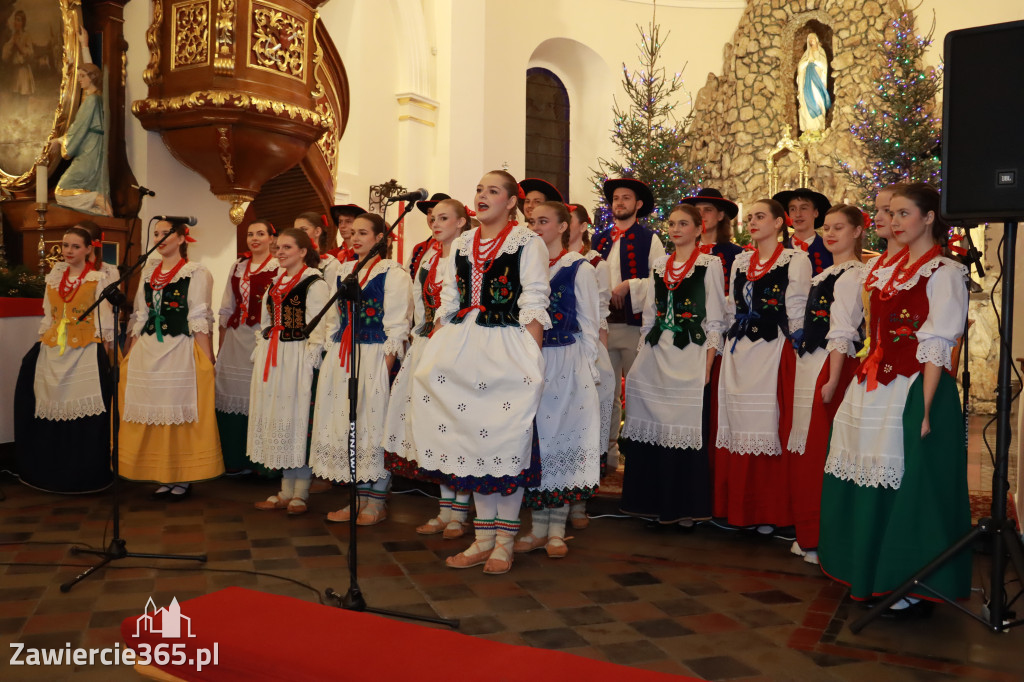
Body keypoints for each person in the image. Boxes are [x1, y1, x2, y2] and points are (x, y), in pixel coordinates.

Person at [819, 184, 971, 619]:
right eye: (892, 213)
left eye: (905, 213)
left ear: (928, 218)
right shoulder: (882, 270)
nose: (897, 221)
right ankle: (866, 570)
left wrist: (923, 410)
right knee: (864, 475)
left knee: (911, 485)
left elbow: (938, 344)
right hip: (872, 386)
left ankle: (904, 577)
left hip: (913, 389)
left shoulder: (945, 272)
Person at [410, 170, 550, 575]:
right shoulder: (465, 242)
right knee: (473, 443)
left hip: (507, 346)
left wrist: (532, 358)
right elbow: (450, 298)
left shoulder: (528, 242)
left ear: (511, 203)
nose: (483, 195)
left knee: (506, 441)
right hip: (465, 345)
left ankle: (504, 542)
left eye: (493, 190)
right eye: (479, 189)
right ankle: (482, 537)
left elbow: (535, 298)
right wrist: (439, 341)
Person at [620, 204, 726, 527]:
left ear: (699, 227)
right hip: (656, 355)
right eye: (672, 223)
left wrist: (707, 367)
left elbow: (716, 320)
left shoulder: (710, 265)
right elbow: (650, 315)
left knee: (685, 431)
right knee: (653, 427)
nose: (676, 229)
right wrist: (641, 356)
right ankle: (652, 501)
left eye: (684, 224)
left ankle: (684, 508)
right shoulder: (659, 264)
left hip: (690, 356)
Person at [714, 199, 810, 531]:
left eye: (760, 217)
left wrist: (799, 353)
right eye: (750, 217)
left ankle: (767, 512)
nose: (753, 222)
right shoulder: (740, 262)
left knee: (769, 425)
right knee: (738, 427)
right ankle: (739, 508)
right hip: (739, 352)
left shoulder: (795, 260)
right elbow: (731, 307)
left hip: (773, 350)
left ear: (778, 223)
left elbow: (796, 308)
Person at [312, 213, 412, 525]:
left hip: (375, 355)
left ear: (381, 238)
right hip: (344, 356)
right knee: (346, 424)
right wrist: (333, 354)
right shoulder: (345, 270)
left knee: (373, 425)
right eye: (353, 233)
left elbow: (397, 325)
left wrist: (383, 370)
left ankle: (377, 501)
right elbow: (333, 318)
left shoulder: (393, 274)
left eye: (363, 233)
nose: (355, 238)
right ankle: (356, 497)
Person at [514, 201, 601, 558]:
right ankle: (537, 527)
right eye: (532, 221)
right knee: (534, 442)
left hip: (565, 360)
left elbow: (591, 323)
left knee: (560, 438)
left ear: (564, 227)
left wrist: (590, 370)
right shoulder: (524, 267)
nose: (536, 227)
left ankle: (557, 528)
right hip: (529, 362)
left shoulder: (578, 268)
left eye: (544, 221)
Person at [385, 199, 473, 537]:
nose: (435, 224)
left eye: (443, 218)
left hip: (458, 346)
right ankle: (445, 509)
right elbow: (421, 309)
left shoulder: (468, 256)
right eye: (432, 219)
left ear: (462, 222)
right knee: (435, 428)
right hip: (427, 344)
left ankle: (459, 513)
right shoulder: (429, 257)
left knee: (456, 427)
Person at [785, 205, 867, 564]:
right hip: (810, 364)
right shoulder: (825, 274)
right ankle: (809, 532)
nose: (830, 234)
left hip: (830, 366)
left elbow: (843, 332)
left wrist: (833, 379)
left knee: (823, 449)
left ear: (857, 232)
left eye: (839, 228)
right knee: (806, 446)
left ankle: (822, 537)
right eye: (827, 228)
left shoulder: (853, 275)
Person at [120, 220, 224, 499]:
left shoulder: (197, 272)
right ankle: (161, 472)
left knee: (178, 412)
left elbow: (199, 318)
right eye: (156, 234)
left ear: (181, 238)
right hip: (148, 350)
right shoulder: (147, 272)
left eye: (166, 234)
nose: (160, 238)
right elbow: (140, 316)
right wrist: (130, 352)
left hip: (179, 349)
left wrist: (207, 359)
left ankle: (183, 474)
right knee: (154, 412)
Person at [14, 224, 114, 493]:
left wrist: (104, 356)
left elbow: (104, 322)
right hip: (53, 351)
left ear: (87, 250)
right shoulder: (53, 279)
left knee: (84, 413)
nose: (69, 251)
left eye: (75, 246)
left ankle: (83, 474)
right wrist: (40, 343)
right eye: (65, 246)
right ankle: (49, 470)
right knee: (49, 407)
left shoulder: (97, 279)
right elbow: (49, 317)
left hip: (84, 351)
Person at [248, 228, 328, 514]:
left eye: (287, 248)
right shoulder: (275, 283)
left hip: (298, 355)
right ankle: (285, 489)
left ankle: (301, 491)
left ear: (303, 251)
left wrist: (309, 360)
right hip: (276, 354)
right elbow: (265, 320)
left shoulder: (314, 283)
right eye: (278, 247)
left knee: (297, 417)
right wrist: (265, 342)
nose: (280, 252)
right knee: (279, 416)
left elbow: (321, 326)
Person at [593, 178, 665, 470]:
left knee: (636, 390)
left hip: (634, 327)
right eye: (615, 199)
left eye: (626, 198)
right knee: (605, 391)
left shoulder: (650, 239)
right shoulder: (598, 240)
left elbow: (661, 280)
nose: (619, 203)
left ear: (637, 205)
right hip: (604, 328)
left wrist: (629, 286)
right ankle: (605, 454)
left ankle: (637, 455)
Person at [215, 219, 279, 476]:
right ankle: (233, 458)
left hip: (259, 338)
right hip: (234, 337)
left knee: (257, 394)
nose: (254, 238)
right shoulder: (237, 266)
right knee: (230, 391)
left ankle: (259, 463)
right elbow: (226, 306)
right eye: (251, 234)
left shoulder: (277, 267)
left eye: (260, 234)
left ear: (271, 238)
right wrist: (220, 347)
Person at [566, 203, 614, 530]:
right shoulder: (541, 259)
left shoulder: (595, 262)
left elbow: (598, 316)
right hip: (551, 349)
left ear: (583, 226)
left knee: (585, 423)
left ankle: (579, 501)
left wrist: (597, 357)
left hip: (584, 346)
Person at [52, 63, 111, 216]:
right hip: (93, 148)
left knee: (62, 191)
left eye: (83, 76)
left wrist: (59, 141)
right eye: (78, 76)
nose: (79, 79)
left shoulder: (91, 101)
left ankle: (97, 199)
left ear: (93, 77)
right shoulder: (97, 98)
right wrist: (84, 46)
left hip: (89, 151)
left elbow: (78, 128)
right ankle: (102, 213)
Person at [680, 188, 744, 295]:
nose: (701, 215)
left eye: (708, 210)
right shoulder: (684, 251)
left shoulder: (737, 254)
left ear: (720, 215)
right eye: (697, 211)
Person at [773, 188, 832, 276]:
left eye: (803, 208)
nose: (798, 214)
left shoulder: (829, 250)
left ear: (816, 213)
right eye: (793, 209)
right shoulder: (777, 250)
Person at [407, 193, 451, 277]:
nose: (432, 217)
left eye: (440, 214)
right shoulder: (418, 249)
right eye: (429, 212)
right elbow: (408, 280)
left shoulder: (458, 246)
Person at [797, 32, 831, 134]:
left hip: (817, 81)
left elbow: (824, 66)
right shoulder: (806, 54)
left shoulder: (821, 52)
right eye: (809, 39)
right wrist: (808, 61)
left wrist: (815, 61)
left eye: (813, 39)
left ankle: (819, 127)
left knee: (818, 100)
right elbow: (800, 67)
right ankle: (809, 128)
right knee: (807, 102)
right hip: (808, 82)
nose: (811, 41)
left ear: (816, 39)